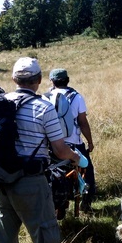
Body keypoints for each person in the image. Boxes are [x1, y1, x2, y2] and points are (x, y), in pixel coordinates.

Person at [0, 57, 85, 243]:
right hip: (31, 183)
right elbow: (60, 149)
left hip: (1, 183)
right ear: (39, 80)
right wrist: (77, 158)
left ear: (14, 80)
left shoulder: (0, 103)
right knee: (46, 241)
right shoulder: (44, 107)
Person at [46, 68, 96, 212]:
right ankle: (86, 203)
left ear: (52, 81)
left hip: (52, 145)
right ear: (67, 80)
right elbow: (82, 122)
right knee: (87, 169)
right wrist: (90, 142)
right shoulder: (77, 97)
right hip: (74, 143)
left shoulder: (45, 97)